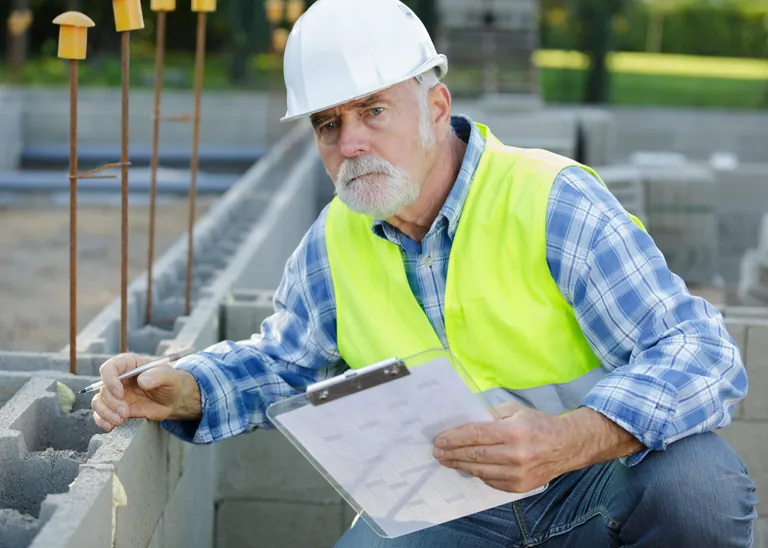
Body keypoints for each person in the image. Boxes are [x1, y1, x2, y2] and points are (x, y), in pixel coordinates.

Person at [92, 0, 757, 545]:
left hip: (598, 479)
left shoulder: (552, 201)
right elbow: (284, 365)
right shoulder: (333, 242)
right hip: (454, 503)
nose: (350, 143)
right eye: (328, 123)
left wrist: (568, 438)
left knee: (698, 486)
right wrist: (185, 388)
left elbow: (702, 354)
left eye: (372, 110)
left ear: (436, 107)